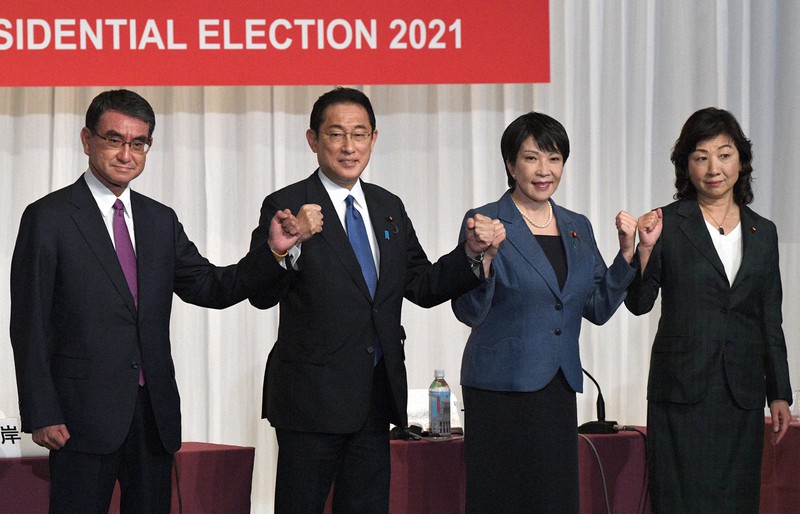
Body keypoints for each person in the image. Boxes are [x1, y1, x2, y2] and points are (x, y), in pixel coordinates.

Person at [9, 89, 300, 513]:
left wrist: (272, 252)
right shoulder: (48, 217)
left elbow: (210, 287)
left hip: (153, 416)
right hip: (79, 416)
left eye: (139, 143)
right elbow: (29, 323)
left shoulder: (159, 219)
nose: (126, 154)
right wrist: (41, 411)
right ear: (87, 140)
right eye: (114, 140)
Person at [248, 87, 505, 513]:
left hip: (374, 396)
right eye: (336, 134)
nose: (349, 147)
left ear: (373, 138)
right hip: (310, 401)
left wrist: (471, 253)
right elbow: (260, 293)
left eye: (359, 134)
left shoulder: (388, 206)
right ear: (313, 140)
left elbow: (422, 285)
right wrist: (288, 248)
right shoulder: (287, 206)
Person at [451, 111, 638, 513]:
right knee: (501, 500)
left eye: (554, 158)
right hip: (499, 387)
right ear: (510, 164)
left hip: (557, 385)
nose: (544, 170)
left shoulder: (577, 225)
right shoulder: (485, 221)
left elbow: (597, 307)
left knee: (554, 498)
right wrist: (483, 257)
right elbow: (467, 310)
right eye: (532, 158)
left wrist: (627, 254)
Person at [626, 107, 792, 513]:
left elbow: (770, 319)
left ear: (741, 161)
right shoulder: (666, 223)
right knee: (680, 500)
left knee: (736, 501)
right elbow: (638, 303)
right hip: (681, 390)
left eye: (724, 154)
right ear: (686, 165)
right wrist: (642, 250)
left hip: (741, 393)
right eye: (701, 157)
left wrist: (779, 393)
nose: (713, 168)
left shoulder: (764, 231)